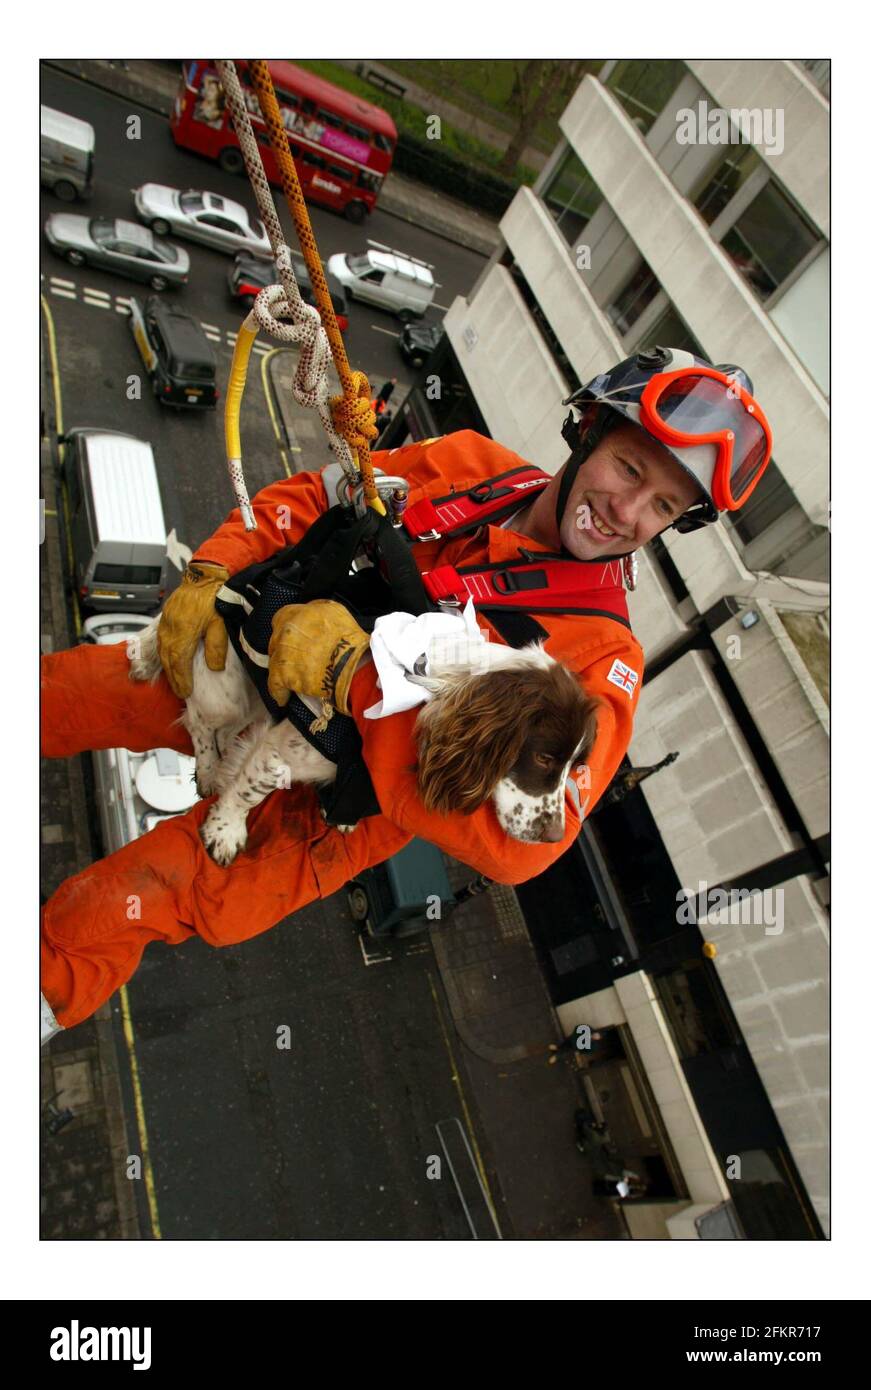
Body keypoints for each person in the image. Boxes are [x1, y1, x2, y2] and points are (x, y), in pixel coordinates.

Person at [40, 347, 773, 1042]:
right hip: (252, 656)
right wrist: (212, 571)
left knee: (111, 909)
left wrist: (351, 679)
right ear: (587, 431)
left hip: (312, 800)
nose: (627, 510)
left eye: (663, 508)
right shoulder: (467, 467)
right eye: (627, 467)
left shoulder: (599, 661)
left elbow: (518, 849)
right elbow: (311, 499)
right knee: (63, 692)